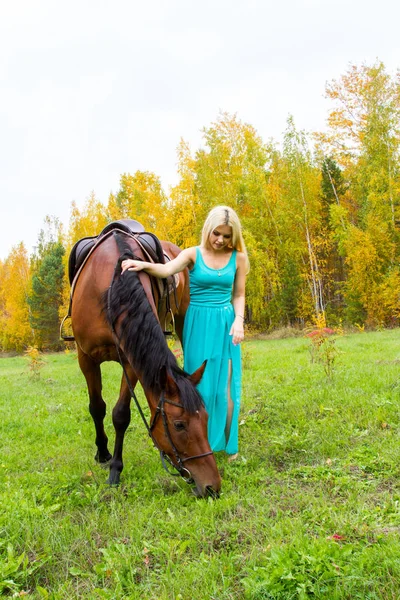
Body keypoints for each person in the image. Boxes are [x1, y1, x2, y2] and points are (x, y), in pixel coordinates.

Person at [121, 206, 249, 460]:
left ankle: (228, 445)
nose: (220, 240)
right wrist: (142, 264)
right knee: (200, 387)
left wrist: (239, 321)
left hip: (225, 323)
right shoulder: (193, 254)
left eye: (226, 235)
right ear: (207, 230)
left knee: (226, 388)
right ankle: (205, 444)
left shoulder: (239, 258)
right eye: (216, 233)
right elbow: (166, 271)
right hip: (198, 323)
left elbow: (239, 294)